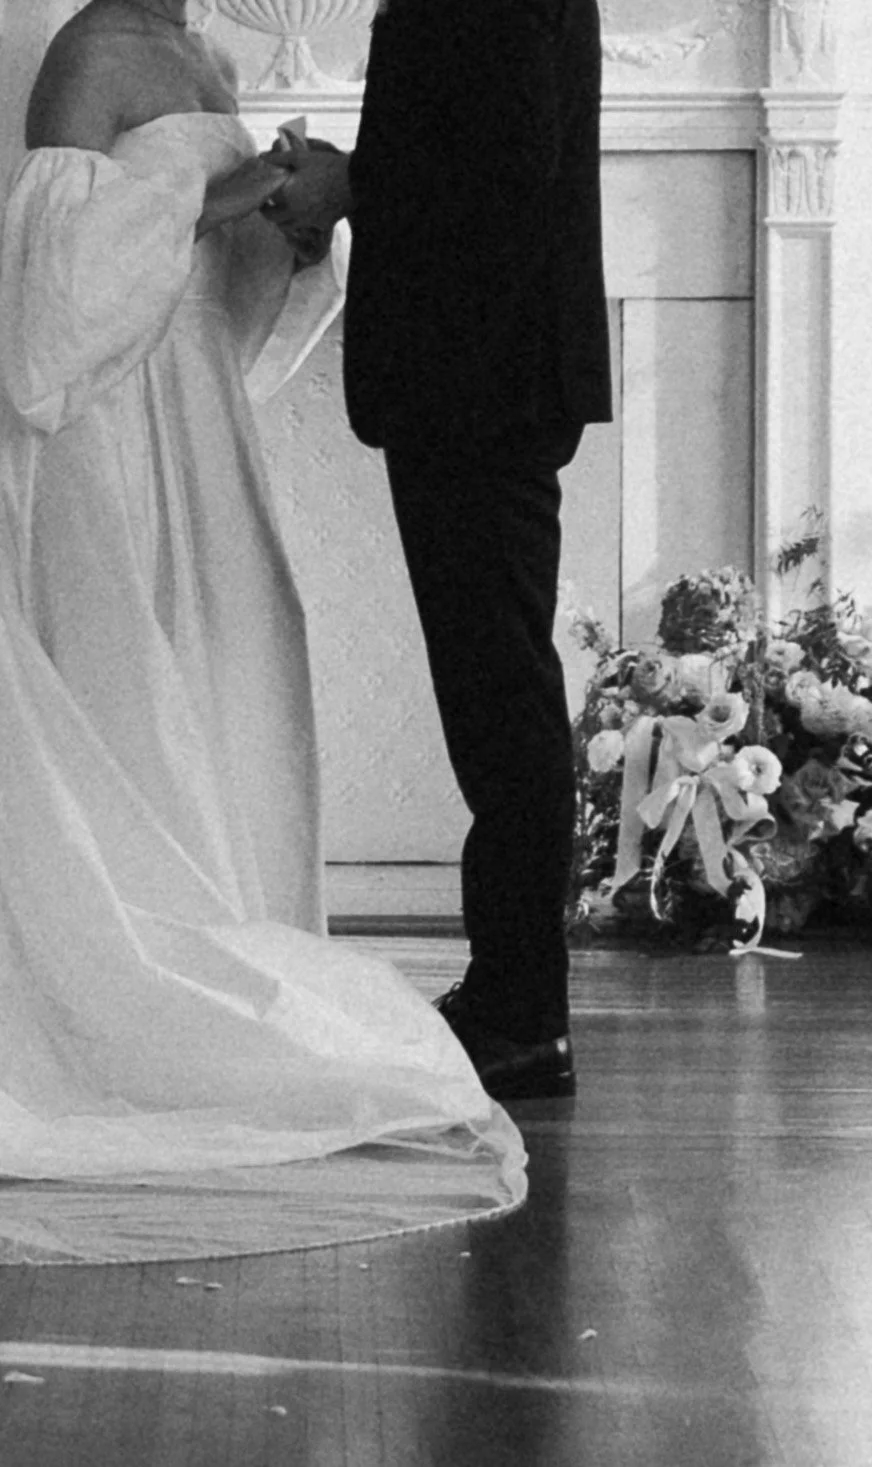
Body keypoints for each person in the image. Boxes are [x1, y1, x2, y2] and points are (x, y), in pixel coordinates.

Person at [0, 0, 526, 1265]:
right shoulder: (89, 53)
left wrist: (291, 232)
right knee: (138, 688)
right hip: (107, 435)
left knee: (240, 669)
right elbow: (47, 306)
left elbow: (219, 299)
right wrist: (222, 193)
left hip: (198, 418)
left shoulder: (214, 60)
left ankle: (232, 946)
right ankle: (133, 986)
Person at [265, 0, 614, 1101]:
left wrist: (347, 183)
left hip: (482, 381)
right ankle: (509, 994)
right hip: (481, 375)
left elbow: (503, 169)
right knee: (494, 693)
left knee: (502, 696)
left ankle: (521, 1013)